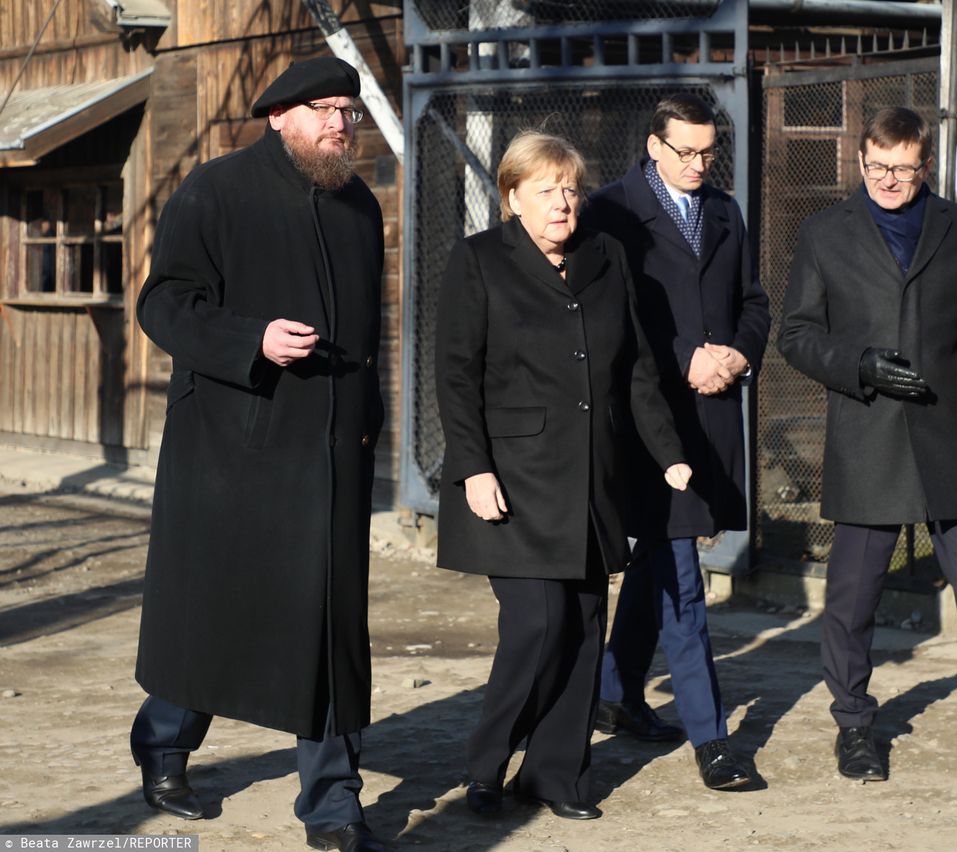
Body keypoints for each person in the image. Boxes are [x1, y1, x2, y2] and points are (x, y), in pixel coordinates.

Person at [130, 57, 388, 852]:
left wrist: (366, 419)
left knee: (328, 630)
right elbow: (163, 302)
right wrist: (254, 340)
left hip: (333, 454)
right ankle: (164, 742)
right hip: (231, 452)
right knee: (214, 617)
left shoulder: (361, 209)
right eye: (323, 110)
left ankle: (334, 805)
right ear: (279, 115)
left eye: (348, 110)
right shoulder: (215, 189)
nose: (340, 124)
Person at [777, 106, 957, 786]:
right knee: (853, 598)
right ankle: (853, 728)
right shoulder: (824, 233)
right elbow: (794, 335)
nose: (886, 180)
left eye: (901, 169)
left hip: (948, 438)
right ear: (861, 161)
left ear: (924, 165)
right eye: (875, 167)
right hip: (868, 432)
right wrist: (859, 366)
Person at [434, 130, 690, 821]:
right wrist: (473, 468)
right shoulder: (479, 260)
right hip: (511, 485)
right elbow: (455, 376)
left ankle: (554, 776)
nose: (563, 203)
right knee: (537, 626)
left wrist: (667, 451)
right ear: (512, 197)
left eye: (571, 190)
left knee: (581, 627)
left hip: (589, 483)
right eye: (546, 191)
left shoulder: (604, 258)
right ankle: (486, 769)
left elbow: (636, 367)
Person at [584, 93, 770, 790]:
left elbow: (754, 300)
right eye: (684, 151)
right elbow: (611, 315)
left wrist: (736, 356)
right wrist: (685, 354)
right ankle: (712, 740)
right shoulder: (610, 210)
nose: (698, 164)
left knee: (663, 559)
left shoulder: (724, 211)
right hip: (644, 421)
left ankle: (615, 691)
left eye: (707, 151)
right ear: (653, 146)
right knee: (684, 590)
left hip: (713, 410)